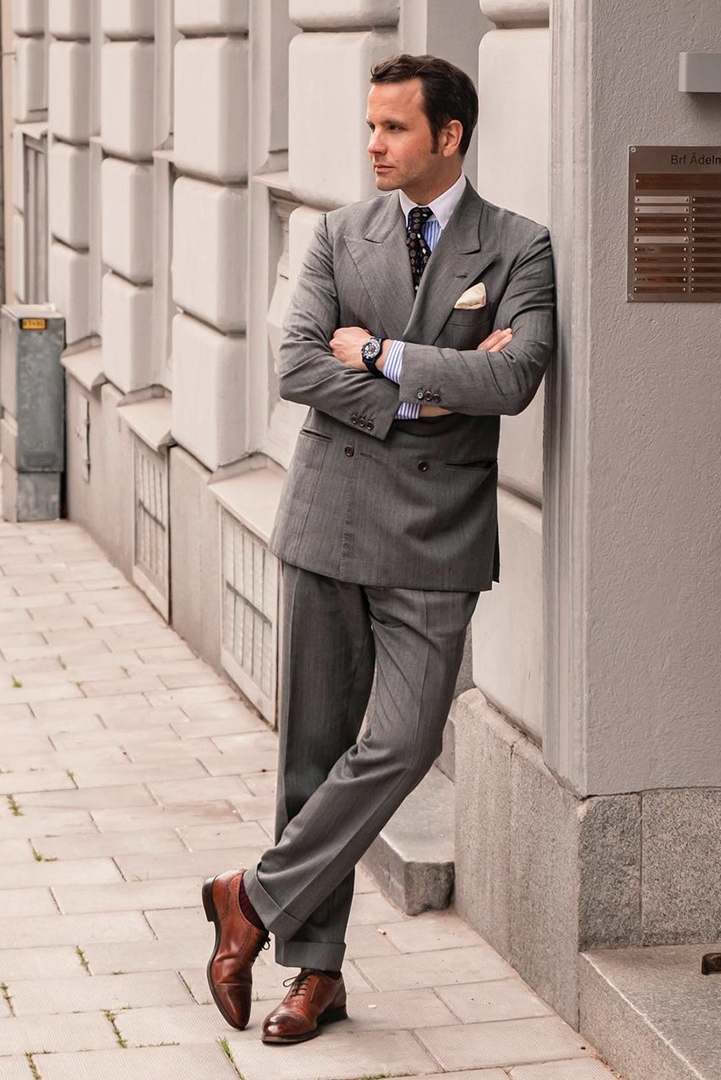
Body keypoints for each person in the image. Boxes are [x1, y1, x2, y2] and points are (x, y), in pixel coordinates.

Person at [202, 52, 555, 1045]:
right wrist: (425, 392)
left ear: (449, 136)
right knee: (311, 757)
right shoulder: (334, 232)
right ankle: (312, 977)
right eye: (369, 126)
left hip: (437, 539)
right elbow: (294, 364)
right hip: (328, 521)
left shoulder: (517, 247)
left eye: (394, 128)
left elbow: (515, 377)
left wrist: (378, 352)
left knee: (399, 742)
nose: (373, 145)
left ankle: (250, 897)